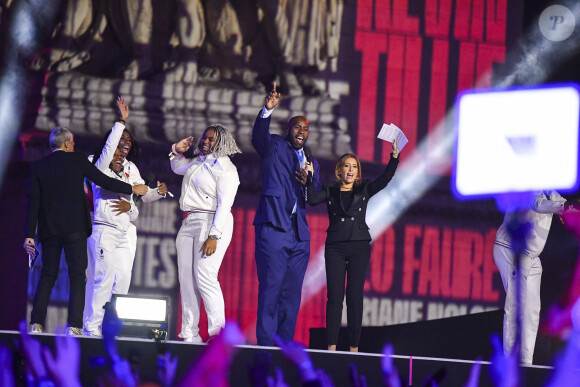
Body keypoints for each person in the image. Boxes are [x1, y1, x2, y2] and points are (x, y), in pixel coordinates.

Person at [24, 127, 148, 335]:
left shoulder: (38, 166)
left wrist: (29, 234)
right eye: (72, 142)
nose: (73, 145)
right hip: (75, 229)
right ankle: (74, 326)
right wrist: (131, 189)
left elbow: (33, 202)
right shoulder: (78, 160)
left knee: (47, 276)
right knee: (77, 277)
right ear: (66, 144)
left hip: (49, 230)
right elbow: (104, 181)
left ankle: (36, 324)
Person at [83, 96, 169, 337]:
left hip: (125, 232)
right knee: (103, 277)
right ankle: (92, 327)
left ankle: (112, 328)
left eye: (128, 141)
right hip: (104, 229)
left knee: (122, 282)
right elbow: (110, 162)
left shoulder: (131, 167)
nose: (125, 144)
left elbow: (143, 194)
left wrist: (157, 193)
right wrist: (120, 122)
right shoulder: (97, 163)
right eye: (121, 139)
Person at [305, 143, 399, 352]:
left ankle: (354, 348)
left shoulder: (364, 188)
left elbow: (384, 180)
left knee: (355, 297)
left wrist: (394, 157)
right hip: (335, 247)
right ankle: (331, 347)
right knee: (334, 298)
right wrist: (310, 179)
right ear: (340, 170)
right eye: (347, 166)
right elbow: (311, 199)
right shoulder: (330, 189)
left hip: (359, 246)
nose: (350, 170)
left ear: (357, 172)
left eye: (354, 167)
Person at [252, 82, 320, 346]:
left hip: (299, 235)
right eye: (297, 126)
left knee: (292, 296)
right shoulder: (275, 146)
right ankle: (266, 346)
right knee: (271, 288)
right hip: (273, 227)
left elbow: (314, 197)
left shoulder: (311, 161)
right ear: (288, 129)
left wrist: (308, 182)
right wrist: (266, 110)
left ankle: (283, 346)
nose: (301, 131)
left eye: (305, 128)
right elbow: (258, 138)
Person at [170, 125, 241, 343]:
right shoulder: (198, 161)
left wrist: (214, 235)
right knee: (186, 278)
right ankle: (189, 332)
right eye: (205, 138)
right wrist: (176, 151)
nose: (205, 142)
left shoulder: (226, 169)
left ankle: (217, 333)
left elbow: (225, 205)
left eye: (211, 140)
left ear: (222, 143)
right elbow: (177, 168)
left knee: (205, 275)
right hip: (190, 220)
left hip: (212, 221)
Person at [493, 191, 574, 364]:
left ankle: (526, 362)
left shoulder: (550, 188)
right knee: (516, 305)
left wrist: (573, 209)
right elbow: (537, 203)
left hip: (532, 256)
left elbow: (564, 206)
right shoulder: (531, 180)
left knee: (532, 310)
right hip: (510, 250)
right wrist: (563, 207)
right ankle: (510, 361)